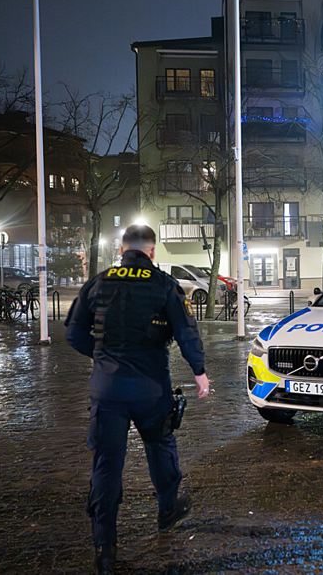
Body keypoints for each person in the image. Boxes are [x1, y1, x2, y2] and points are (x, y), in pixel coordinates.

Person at [65, 225, 209, 575]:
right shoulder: (164, 285)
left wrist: (99, 356)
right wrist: (200, 372)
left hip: (108, 389)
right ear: (152, 251)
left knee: (106, 466)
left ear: (122, 248)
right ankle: (168, 509)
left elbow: (73, 332)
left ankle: (105, 549)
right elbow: (187, 333)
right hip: (150, 388)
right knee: (160, 447)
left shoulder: (98, 282)